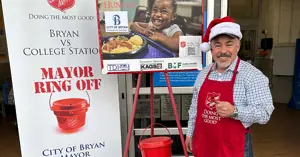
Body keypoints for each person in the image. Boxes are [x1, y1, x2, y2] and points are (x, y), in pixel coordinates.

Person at [185, 16, 274, 157]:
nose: (223, 50)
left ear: (237, 46)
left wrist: (235, 111)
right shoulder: (203, 74)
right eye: (218, 45)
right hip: (204, 143)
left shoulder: (252, 75)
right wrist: (190, 133)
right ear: (211, 48)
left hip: (234, 147)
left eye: (229, 44)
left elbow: (265, 114)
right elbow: (194, 108)